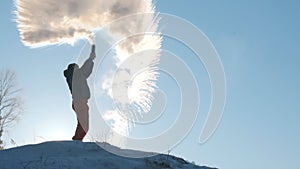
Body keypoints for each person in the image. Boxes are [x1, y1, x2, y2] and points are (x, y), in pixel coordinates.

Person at [63, 45, 96, 140]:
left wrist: (91, 60)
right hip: (79, 102)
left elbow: (86, 71)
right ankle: (76, 140)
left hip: (81, 102)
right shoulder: (73, 75)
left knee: (84, 125)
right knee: (84, 125)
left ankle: (77, 140)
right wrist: (90, 59)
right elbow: (85, 70)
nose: (78, 68)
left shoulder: (78, 75)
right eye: (77, 67)